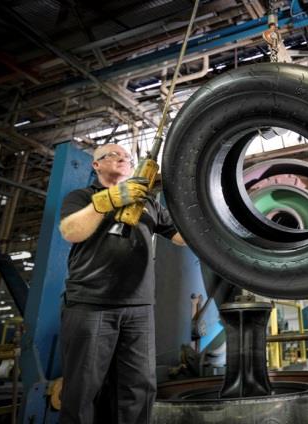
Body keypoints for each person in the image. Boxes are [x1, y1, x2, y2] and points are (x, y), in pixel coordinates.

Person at [58, 143, 184, 423]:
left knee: (139, 389)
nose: (123, 158)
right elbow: (71, 231)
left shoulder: (148, 201)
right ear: (96, 165)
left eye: (127, 156)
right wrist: (107, 201)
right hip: (91, 305)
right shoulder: (82, 197)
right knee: (82, 391)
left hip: (139, 308)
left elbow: (180, 236)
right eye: (113, 155)